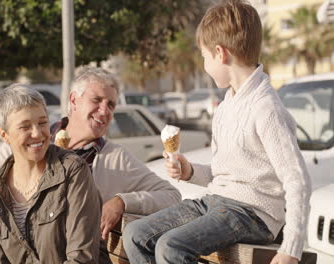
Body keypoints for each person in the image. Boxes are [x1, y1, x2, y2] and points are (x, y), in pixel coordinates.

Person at [122, 1, 312, 264]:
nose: (204, 65)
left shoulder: (267, 109)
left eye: (204, 57)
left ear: (221, 54)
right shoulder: (225, 107)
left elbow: (297, 180)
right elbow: (226, 173)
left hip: (254, 214)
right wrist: (190, 172)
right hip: (217, 203)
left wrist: (291, 248)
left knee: (171, 247)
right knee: (135, 234)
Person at [0, 67, 182, 263]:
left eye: (111, 105)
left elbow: (171, 195)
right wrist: (21, 188)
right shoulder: (32, 140)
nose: (105, 111)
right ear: (74, 100)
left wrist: (122, 201)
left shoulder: (114, 158)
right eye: (96, 100)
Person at [0, 84, 102, 263]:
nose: (37, 133)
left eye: (42, 123)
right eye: (25, 127)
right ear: (4, 134)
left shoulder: (73, 172)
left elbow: (82, 258)